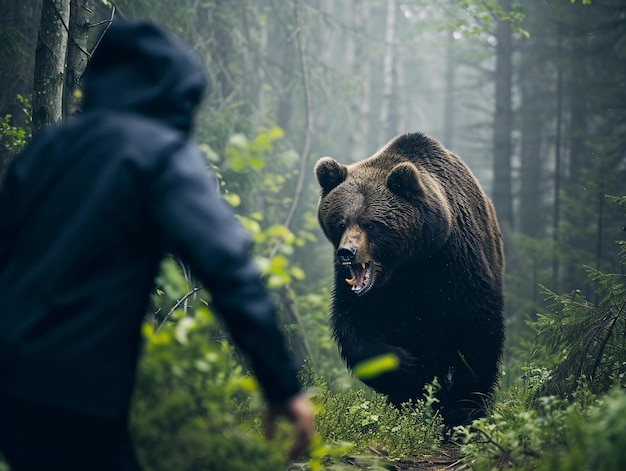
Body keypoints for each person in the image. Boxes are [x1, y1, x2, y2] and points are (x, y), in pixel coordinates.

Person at [0, 19, 313, 470]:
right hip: (79, 393)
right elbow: (229, 269)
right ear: (175, 92)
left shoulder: (50, 147)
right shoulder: (161, 154)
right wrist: (282, 386)